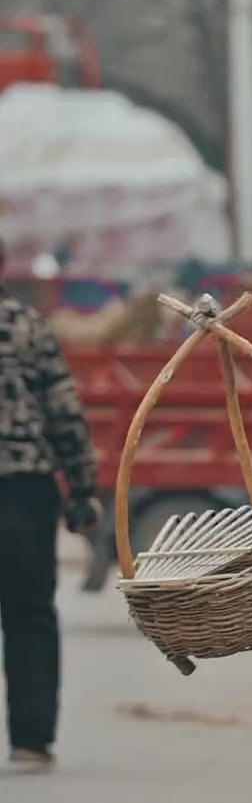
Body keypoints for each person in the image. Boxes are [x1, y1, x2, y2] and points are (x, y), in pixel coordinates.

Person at [0, 244, 101, 770]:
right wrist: (83, 492)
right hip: (22, 487)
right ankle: (31, 740)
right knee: (30, 612)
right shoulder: (26, 325)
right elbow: (63, 411)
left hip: (23, 483)